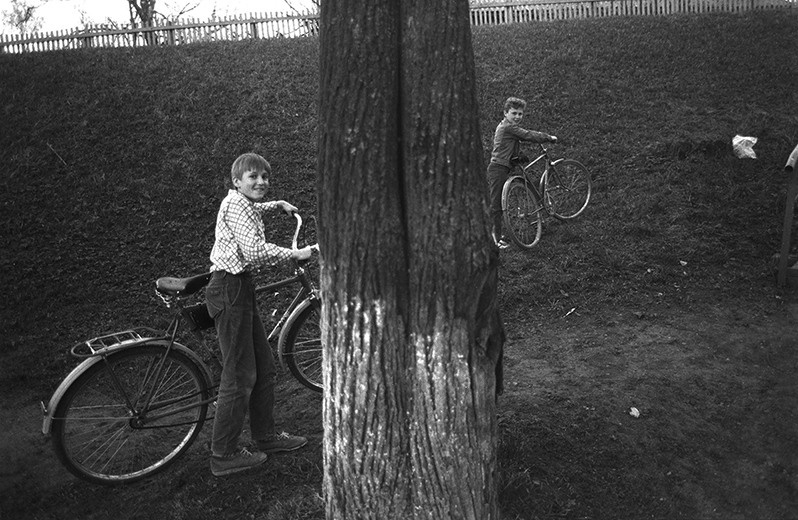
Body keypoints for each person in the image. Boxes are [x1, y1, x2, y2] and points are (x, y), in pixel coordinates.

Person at [206, 152, 314, 477]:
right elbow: (253, 250)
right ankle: (222, 455)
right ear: (236, 182)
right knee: (239, 374)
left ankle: (265, 436)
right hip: (228, 288)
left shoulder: (242, 202)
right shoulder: (235, 205)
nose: (261, 183)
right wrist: (293, 254)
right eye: (253, 177)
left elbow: (255, 207)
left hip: (239, 286)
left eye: (265, 178)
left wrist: (278, 203)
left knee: (263, 367)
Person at [487, 97, 557, 249]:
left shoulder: (506, 126)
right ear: (505, 113)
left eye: (520, 114)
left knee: (522, 184)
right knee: (496, 205)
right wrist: (548, 138)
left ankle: (532, 216)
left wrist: (516, 156)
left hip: (505, 165)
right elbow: (527, 135)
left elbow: (505, 146)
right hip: (498, 168)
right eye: (514, 113)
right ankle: (495, 240)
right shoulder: (508, 127)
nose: (517, 117)